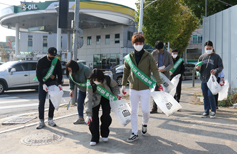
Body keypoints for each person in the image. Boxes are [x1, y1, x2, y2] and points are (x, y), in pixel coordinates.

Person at [122, 32, 163, 142]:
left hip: (145, 88)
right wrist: (123, 84)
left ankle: (144, 124)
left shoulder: (148, 56)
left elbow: (154, 70)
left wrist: (160, 83)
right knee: (134, 111)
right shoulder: (129, 57)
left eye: (140, 43)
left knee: (145, 110)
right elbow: (126, 71)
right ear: (133, 44)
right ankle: (134, 132)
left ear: (143, 44)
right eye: (136, 43)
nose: (138, 45)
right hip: (133, 88)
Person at [84, 69, 120, 146]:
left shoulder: (107, 79)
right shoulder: (90, 83)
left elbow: (115, 86)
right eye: (94, 80)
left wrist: (117, 94)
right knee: (93, 118)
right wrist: (88, 114)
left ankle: (105, 133)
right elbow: (88, 98)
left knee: (106, 116)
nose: (96, 81)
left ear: (102, 78)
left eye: (98, 80)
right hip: (94, 99)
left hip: (106, 98)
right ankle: (94, 137)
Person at [36, 47, 63, 129]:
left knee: (52, 102)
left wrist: (59, 83)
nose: (53, 57)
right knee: (41, 102)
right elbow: (38, 74)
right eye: (51, 55)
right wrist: (43, 83)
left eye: (54, 56)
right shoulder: (41, 61)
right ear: (47, 54)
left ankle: (50, 119)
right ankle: (41, 121)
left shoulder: (56, 61)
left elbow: (60, 73)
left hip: (52, 83)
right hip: (43, 84)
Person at [196, 41, 223, 119]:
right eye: (207, 48)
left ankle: (213, 111)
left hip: (212, 80)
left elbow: (221, 67)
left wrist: (216, 70)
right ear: (204, 48)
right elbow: (197, 68)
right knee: (205, 96)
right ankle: (206, 111)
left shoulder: (216, 57)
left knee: (210, 95)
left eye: (210, 48)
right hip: (203, 79)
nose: (208, 50)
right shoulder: (202, 57)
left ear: (212, 48)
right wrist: (197, 68)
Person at [150, 41, 173, 113]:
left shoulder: (168, 54)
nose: (159, 51)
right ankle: (154, 108)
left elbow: (171, 64)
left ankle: (166, 108)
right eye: (158, 49)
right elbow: (149, 62)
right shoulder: (154, 53)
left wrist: (165, 69)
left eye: (161, 49)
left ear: (163, 47)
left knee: (165, 92)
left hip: (165, 75)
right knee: (156, 91)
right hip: (156, 75)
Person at [66, 60, 91, 124]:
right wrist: (72, 89)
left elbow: (91, 81)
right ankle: (80, 118)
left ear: (74, 68)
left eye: (71, 70)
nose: (70, 72)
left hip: (90, 91)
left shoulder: (86, 70)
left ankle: (91, 119)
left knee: (90, 104)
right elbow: (71, 81)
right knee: (79, 103)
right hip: (81, 90)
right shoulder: (72, 73)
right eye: (69, 70)